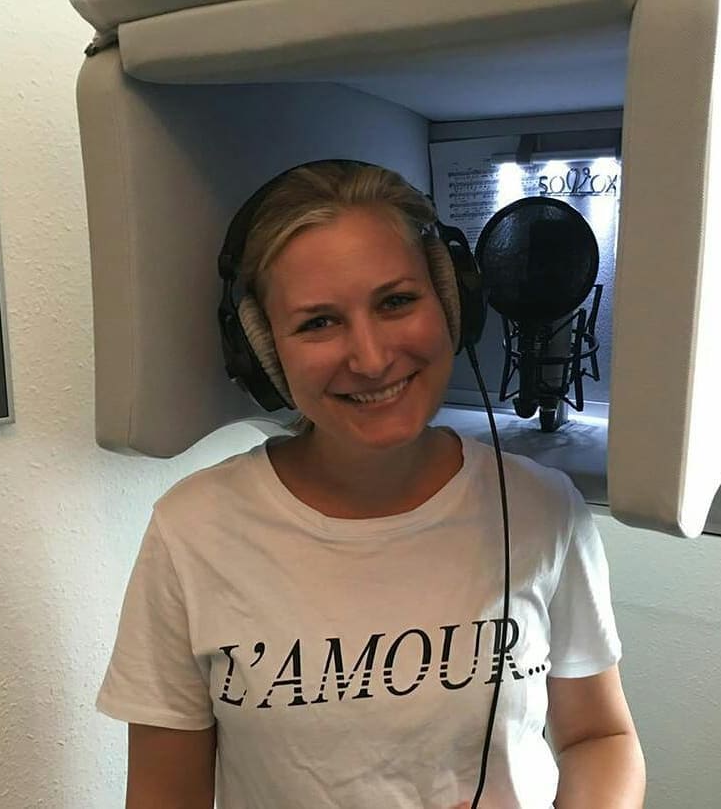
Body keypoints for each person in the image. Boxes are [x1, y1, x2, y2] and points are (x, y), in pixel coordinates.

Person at [96, 161, 645, 808]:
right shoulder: (193, 532)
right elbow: (165, 794)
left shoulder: (544, 507)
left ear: (450, 301)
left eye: (396, 301)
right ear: (264, 348)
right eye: (318, 322)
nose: (372, 356)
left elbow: (597, 736)